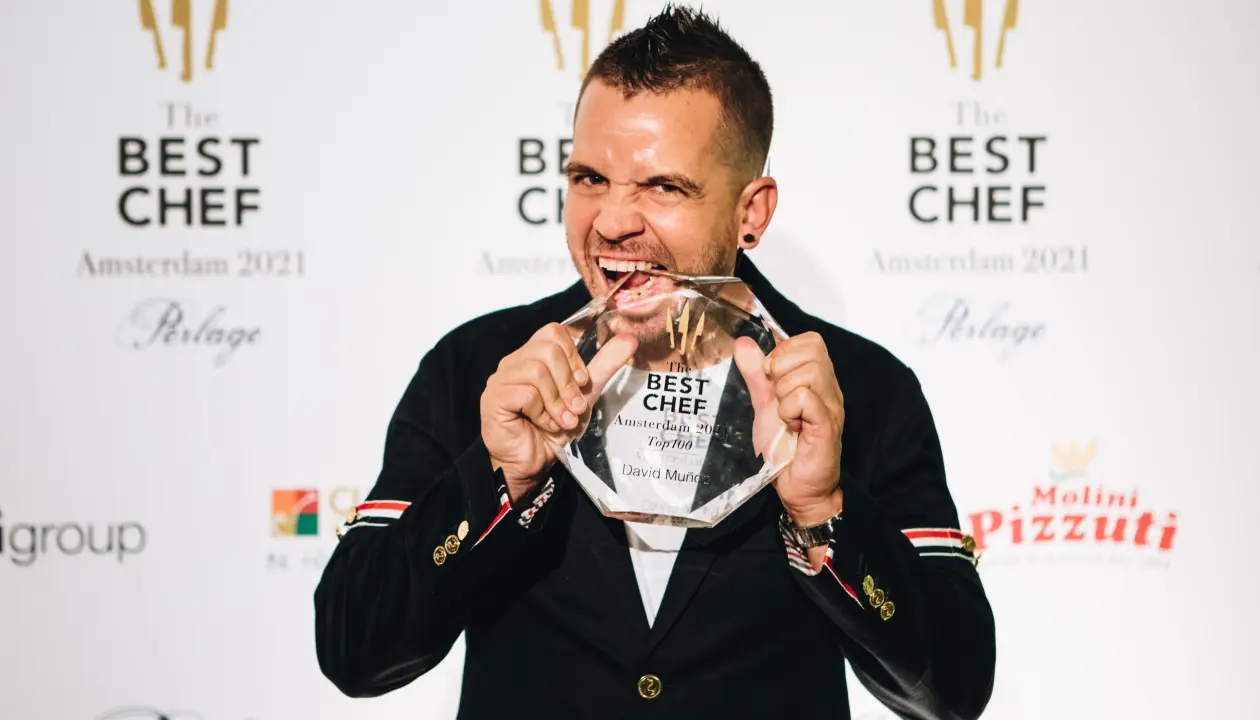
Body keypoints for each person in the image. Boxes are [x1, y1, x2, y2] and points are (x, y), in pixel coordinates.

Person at [314, 5, 996, 718]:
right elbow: (354, 651)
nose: (611, 221)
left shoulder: (859, 389)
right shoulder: (480, 368)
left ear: (751, 212)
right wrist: (498, 480)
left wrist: (822, 511)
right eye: (589, 178)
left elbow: (953, 690)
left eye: (663, 187)